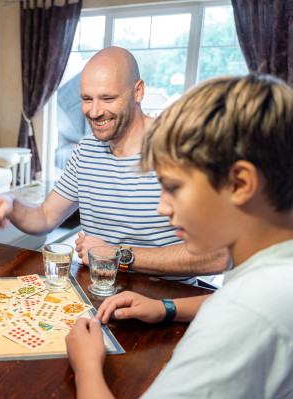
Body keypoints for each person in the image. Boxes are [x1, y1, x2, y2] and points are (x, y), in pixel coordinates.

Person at [65, 74, 293, 398]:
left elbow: (241, 308)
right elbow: (229, 297)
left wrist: (86, 364)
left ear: (241, 183)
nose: (162, 207)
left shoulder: (245, 315)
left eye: (173, 188)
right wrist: (166, 308)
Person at [0, 46, 228, 283]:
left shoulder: (184, 149)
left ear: (138, 91)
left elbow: (221, 255)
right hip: (99, 292)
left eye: (108, 98)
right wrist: (12, 205)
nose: (95, 111)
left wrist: (118, 255)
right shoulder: (86, 150)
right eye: (87, 99)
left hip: (165, 301)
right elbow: (45, 216)